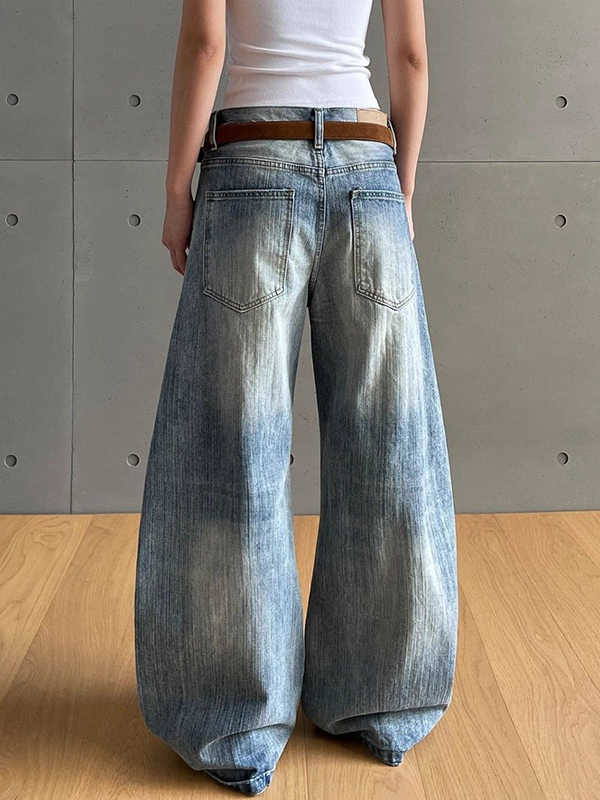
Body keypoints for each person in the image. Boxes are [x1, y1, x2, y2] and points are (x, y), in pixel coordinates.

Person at [133, 0, 459, 795]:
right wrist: (401, 191)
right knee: (388, 448)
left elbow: (206, 43)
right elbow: (410, 58)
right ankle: (382, 705)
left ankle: (236, 722)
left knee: (234, 454)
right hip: (368, 162)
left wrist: (177, 193)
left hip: (251, 166)